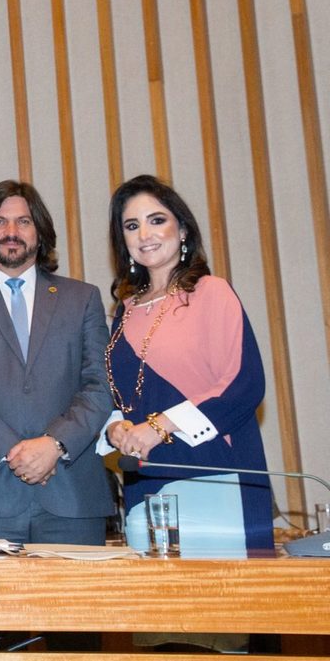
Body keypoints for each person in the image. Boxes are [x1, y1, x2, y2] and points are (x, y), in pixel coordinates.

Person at [0, 180, 113, 544]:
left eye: (23, 222)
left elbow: (100, 384)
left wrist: (53, 445)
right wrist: (12, 452)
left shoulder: (83, 298)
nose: (11, 232)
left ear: (40, 233)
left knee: (80, 602)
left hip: (72, 493)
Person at [100, 174, 273, 554]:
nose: (145, 233)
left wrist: (159, 426)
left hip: (215, 473)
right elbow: (119, 396)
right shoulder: (123, 313)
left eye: (157, 219)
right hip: (145, 479)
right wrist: (117, 429)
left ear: (182, 230)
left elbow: (243, 385)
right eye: (132, 225)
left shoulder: (212, 292)